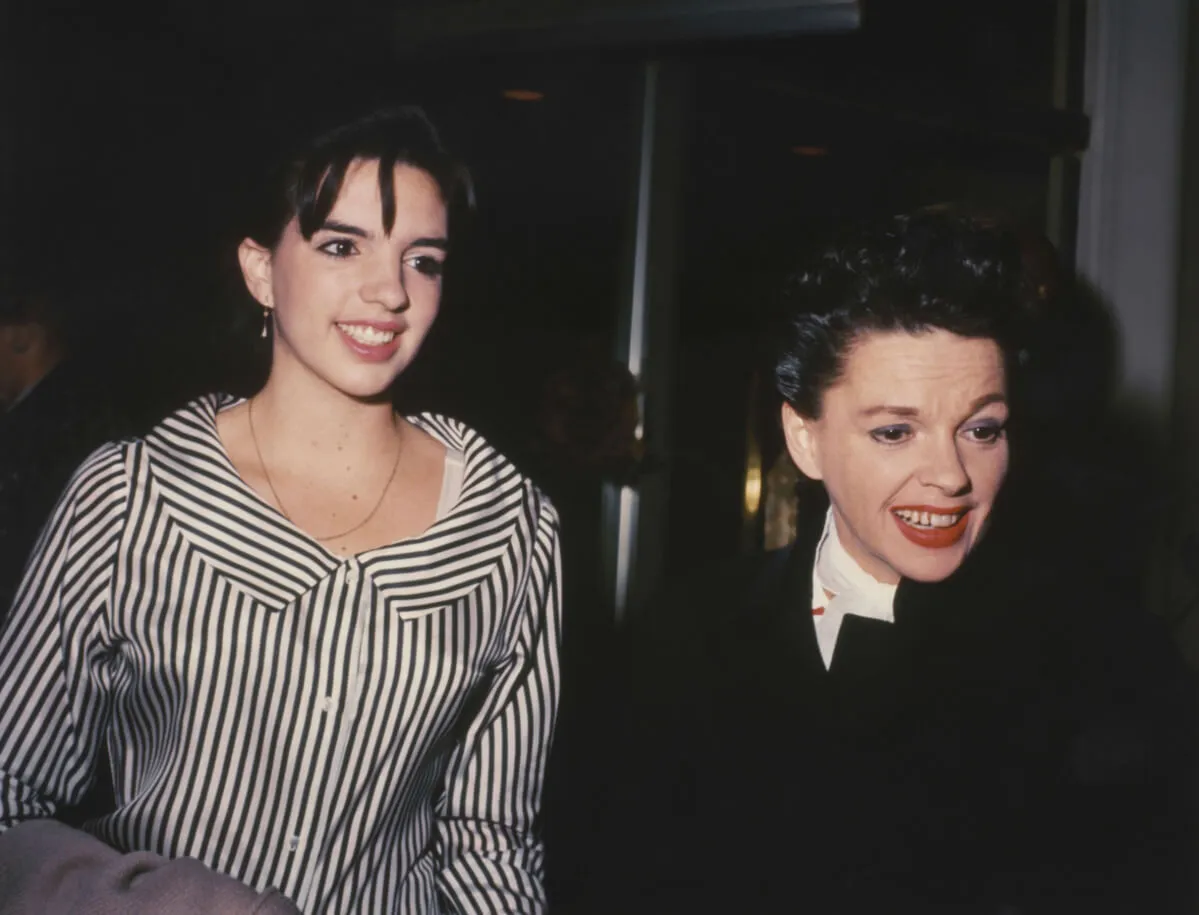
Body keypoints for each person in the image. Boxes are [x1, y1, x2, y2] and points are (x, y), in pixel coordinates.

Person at [0, 106, 562, 914]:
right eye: (341, 245)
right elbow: (9, 799)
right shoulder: (130, 495)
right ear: (261, 270)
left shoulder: (509, 525)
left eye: (424, 260)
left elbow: (489, 843)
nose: (389, 291)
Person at [595, 213, 1197, 914]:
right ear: (804, 438)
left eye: (980, 428)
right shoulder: (678, 640)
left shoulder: (1112, 659)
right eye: (894, 430)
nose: (948, 473)